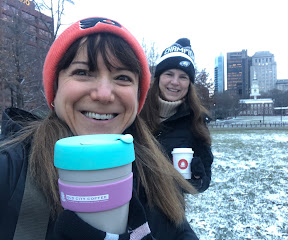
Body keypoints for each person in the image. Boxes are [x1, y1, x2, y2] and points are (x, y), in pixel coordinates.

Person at [0, 17, 198, 240]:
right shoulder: (10, 170)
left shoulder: (157, 175)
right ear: (55, 89)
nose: (104, 94)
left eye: (122, 77)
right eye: (83, 72)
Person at [140, 38, 213, 193]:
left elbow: (204, 180)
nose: (175, 82)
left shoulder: (196, 120)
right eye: (169, 74)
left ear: (189, 83)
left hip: (169, 211)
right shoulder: (135, 111)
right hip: (129, 207)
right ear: (159, 77)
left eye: (183, 77)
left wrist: (196, 180)